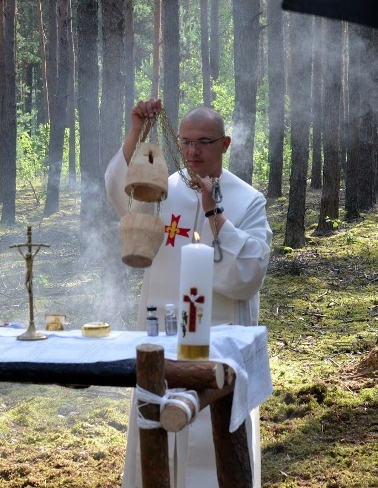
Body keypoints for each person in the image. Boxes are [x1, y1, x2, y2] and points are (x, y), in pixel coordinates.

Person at [105, 99, 272, 488]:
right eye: (186, 142)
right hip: (164, 340)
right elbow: (122, 194)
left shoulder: (248, 200)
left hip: (217, 349)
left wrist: (215, 214)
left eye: (204, 142)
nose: (193, 151)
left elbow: (248, 273)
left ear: (225, 143)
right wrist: (136, 132)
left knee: (218, 456)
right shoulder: (163, 185)